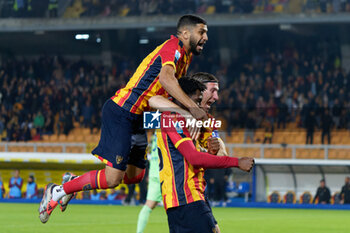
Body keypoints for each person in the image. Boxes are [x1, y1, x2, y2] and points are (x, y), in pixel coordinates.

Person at [38, 14, 209, 223]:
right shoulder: (173, 47)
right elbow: (165, 80)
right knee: (112, 179)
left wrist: (190, 114)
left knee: (135, 175)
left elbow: (158, 98)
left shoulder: (185, 57)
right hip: (122, 111)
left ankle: (74, 181)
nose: (205, 37)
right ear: (184, 33)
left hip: (139, 117)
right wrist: (191, 110)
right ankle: (57, 191)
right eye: (201, 32)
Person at [157, 77, 254, 233]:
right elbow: (194, 158)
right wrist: (237, 162)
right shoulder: (172, 118)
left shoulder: (191, 120)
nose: (198, 106)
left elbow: (201, 154)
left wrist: (211, 151)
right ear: (184, 97)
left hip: (185, 200)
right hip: (187, 199)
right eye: (196, 101)